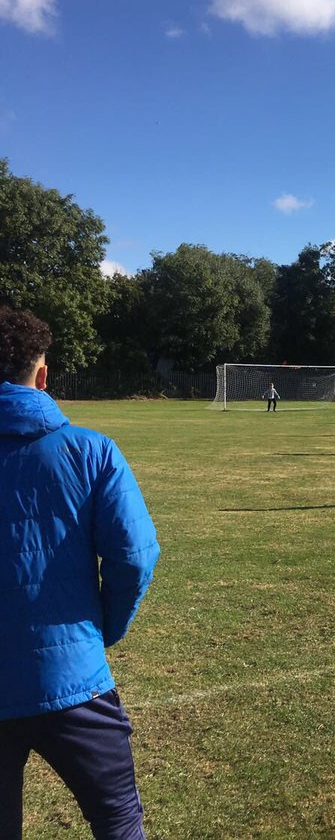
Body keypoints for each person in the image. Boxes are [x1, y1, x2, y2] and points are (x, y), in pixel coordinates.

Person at [0, 306, 160, 838]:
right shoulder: (91, 451)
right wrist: (103, 629)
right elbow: (134, 557)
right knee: (117, 821)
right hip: (74, 680)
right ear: (42, 376)